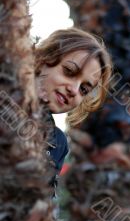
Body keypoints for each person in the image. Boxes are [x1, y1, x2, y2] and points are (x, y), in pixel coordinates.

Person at [34, 27, 112, 200]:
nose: (74, 90)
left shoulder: (58, 143)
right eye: (69, 72)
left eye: (84, 89)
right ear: (42, 60)